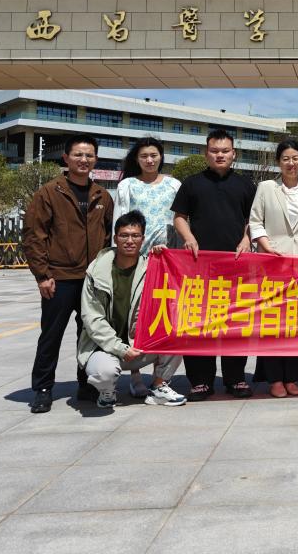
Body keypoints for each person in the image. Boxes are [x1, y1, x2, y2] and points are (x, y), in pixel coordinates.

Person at [24, 134, 114, 414]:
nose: (83, 160)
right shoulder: (49, 193)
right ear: (66, 158)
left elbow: (109, 236)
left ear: (96, 159)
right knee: (51, 335)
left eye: (89, 155)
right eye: (78, 155)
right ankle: (42, 389)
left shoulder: (103, 196)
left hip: (92, 280)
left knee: (89, 334)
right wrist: (42, 275)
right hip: (59, 277)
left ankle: (86, 383)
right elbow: (34, 235)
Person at [171, 129, 256, 401]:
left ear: (234, 154)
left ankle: (235, 378)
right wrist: (189, 237)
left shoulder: (245, 185)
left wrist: (247, 239)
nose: (220, 155)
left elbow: (254, 220)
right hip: (199, 268)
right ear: (206, 153)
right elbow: (179, 217)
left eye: (225, 151)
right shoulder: (192, 183)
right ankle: (200, 381)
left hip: (236, 267)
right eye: (214, 151)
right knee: (199, 324)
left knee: (235, 324)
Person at [79, 210, 186, 408]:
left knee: (177, 334)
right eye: (124, 235)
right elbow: (92, 319)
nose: (129, 241)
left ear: (142, 239)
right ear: (115, 238)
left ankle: (159, 386)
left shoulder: (151, 267)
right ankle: (107, 392)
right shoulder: (96, 272)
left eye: (135, 236)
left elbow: (174, 291)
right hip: (104, 348)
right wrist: (120, 348)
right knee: (104, 373)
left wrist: (164, 257)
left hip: (139, 346)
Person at [249, 139, 298, 397]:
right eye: (286, 159)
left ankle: (292, 377)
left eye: (295, 158)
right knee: (271, 323)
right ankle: (275, 379)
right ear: (278, 162)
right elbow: (255, 222)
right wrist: (267, 248)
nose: (291, 163)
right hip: (271, 263)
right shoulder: (266, 188)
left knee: (295, 321)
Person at [113, 136, 181, 398]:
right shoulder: (127, 186)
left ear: (161, 157)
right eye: (144, 156)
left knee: (166, 318)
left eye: (154, 155)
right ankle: (135, 375)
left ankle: (160, 377)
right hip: (137, 262)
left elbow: (181, 220)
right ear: (137, 159)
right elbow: (119, 223)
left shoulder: (174, 185)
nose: (150, 160)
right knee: (136, 319)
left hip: (167, 263)